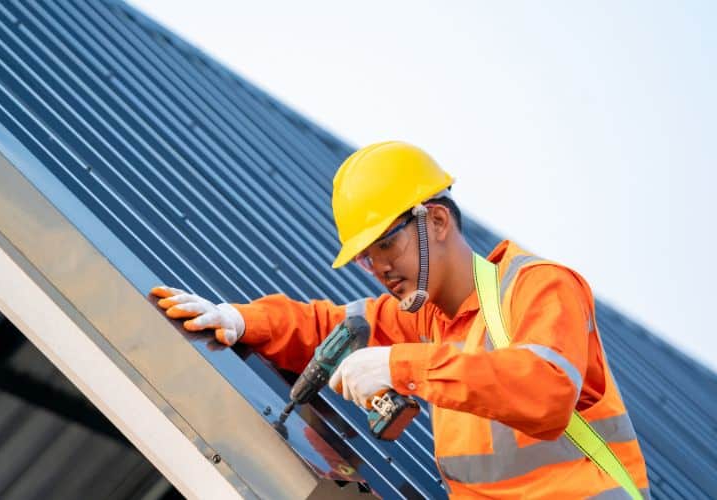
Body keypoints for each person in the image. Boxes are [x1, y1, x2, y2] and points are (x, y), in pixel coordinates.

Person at [151, 141, 650, 498]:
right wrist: (240, 319)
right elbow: (326, 327)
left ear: (435, 220)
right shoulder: (428, 319)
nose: (381, 268)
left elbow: (545, 391)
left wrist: (402, 366)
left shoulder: (537, 286)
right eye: (367, 258)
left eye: (387, 243)